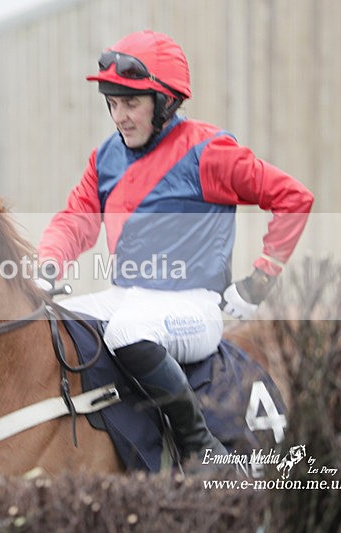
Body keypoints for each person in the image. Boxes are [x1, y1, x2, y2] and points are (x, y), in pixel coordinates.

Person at [38, 30, 314, 463]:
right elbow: (76, 219)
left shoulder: (210, 152)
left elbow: (293, 197)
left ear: (165, 102)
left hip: (192, 305)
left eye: (131, 103)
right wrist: (49, 263)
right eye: (112, 103)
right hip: (127, 296)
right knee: (52, 322)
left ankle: (200, 448)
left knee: (128, 330)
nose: (119, 116)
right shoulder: (104, 157)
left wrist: (261, 279)